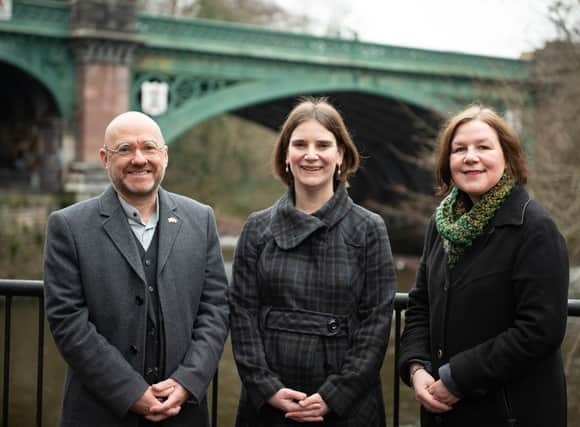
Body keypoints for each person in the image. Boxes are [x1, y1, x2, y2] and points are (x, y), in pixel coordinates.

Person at [43, 111, 229, 426]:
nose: (139, 159)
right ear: (104, 158)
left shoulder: (201, 220)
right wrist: (129, 392)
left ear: (164, 156)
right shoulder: (68, 226)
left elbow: (214, 311)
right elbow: (68, 323)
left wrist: (188, 381)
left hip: (183, 413)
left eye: (149, 148)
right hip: (99, 413)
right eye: (125, 149)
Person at [398, 105, 569, 427]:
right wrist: (416, 367)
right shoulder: (440, 226)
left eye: (483, 147)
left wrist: (456, 378)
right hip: (442, 410)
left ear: (508, 156)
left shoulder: (534, 227)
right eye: (459, 149)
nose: (470, 157)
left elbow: (540, 329)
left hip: (510, 412)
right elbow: (420, 305)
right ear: (447, 162)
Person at [229, 97, 397, 426]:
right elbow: (242, 316)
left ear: (341, 156)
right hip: (271, 406)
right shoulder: (257, 228)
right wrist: (266, 388)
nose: (310, 154)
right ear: (286, 157)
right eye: (300, 144)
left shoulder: (368, 229)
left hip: (346, 408)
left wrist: (336, 394)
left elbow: (376, 324)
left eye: (323, 144)